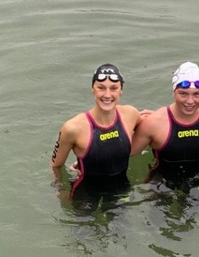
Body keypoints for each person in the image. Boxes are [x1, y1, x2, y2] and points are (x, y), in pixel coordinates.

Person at [50, 63, 142, 198]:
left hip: (121, 187)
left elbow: (149, 131)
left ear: (121, 90)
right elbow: (55, 166)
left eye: (114, 88)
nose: (107, 95)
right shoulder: (72, 128)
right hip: (85, 194)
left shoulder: (131, 114)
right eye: (101, 88)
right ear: (92, 89)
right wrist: (60, 192)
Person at [130, 61, 199, 184]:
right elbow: (123, 153)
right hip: (161, 180)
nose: (190, 101)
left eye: (196, 94)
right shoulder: (154, 123)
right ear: (173, 92)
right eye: (183, 94)